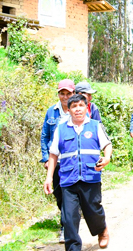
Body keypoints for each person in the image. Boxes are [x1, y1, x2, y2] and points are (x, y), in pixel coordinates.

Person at [44, 94, 112, 251]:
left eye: (81, 105)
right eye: (74, 107)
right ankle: (73, 247)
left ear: (86, 107)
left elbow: (107, 144)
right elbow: (53, 154)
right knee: (69, 217)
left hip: (91, 176)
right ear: (68, 110)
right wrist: (48, 178)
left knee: (93, 210)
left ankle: (101, 230)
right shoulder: (61, 129)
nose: (78, 109)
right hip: (68, 179)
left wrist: (107, 158)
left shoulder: (95, 125)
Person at [40, 79, 75, 243]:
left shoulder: (79, 110)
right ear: (59, 94)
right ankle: (68, 221)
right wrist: (46, 158)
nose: (65, 97)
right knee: (60, 196)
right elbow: (45, 136)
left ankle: (66, 228)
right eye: (62, 93)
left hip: (73, 162)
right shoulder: (51, 112)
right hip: (56, 162)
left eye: (68, 94)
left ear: (73, 94)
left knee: (71, 195)